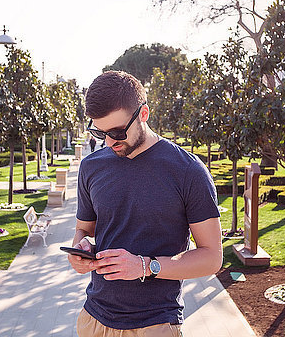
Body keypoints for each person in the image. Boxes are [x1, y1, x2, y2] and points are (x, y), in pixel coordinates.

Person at [68, 71, 222, 336]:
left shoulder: (188, 171)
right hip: (93, 320)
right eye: (99, 132)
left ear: (143, 114)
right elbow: (84, 230)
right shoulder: (90, 167)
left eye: (117, 131)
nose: (109, 141)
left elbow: (211, 257)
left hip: (156, 324)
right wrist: (78, 251)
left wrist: (144, 266)